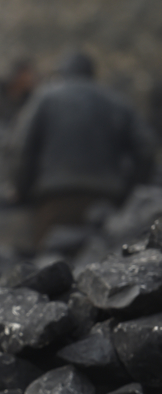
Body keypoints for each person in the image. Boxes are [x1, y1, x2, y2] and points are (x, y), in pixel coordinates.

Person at [13, 51, 157, 247]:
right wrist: (131, 191)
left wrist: (23, 191)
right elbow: (146, 148)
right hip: (106, 200)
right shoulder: (116, 102)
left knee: (50, 266)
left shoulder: (44, 99)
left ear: (63, 72)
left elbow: (21, 148)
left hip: (55, 201)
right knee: (102, 262)